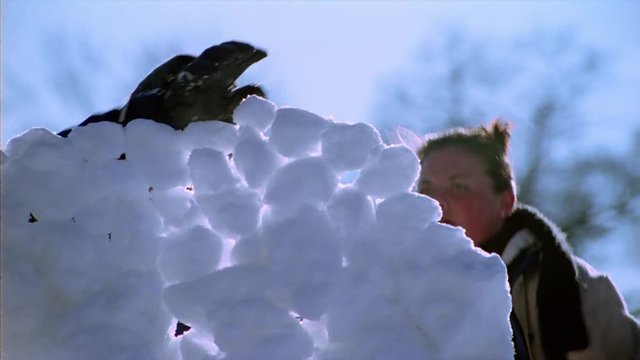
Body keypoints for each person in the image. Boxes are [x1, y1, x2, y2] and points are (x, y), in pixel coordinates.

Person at [415, 120, 640, 359]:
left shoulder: (577, 287)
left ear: (505, 201)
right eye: (426, 188)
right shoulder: (390, 282)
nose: (435, 203)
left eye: (459, 187)